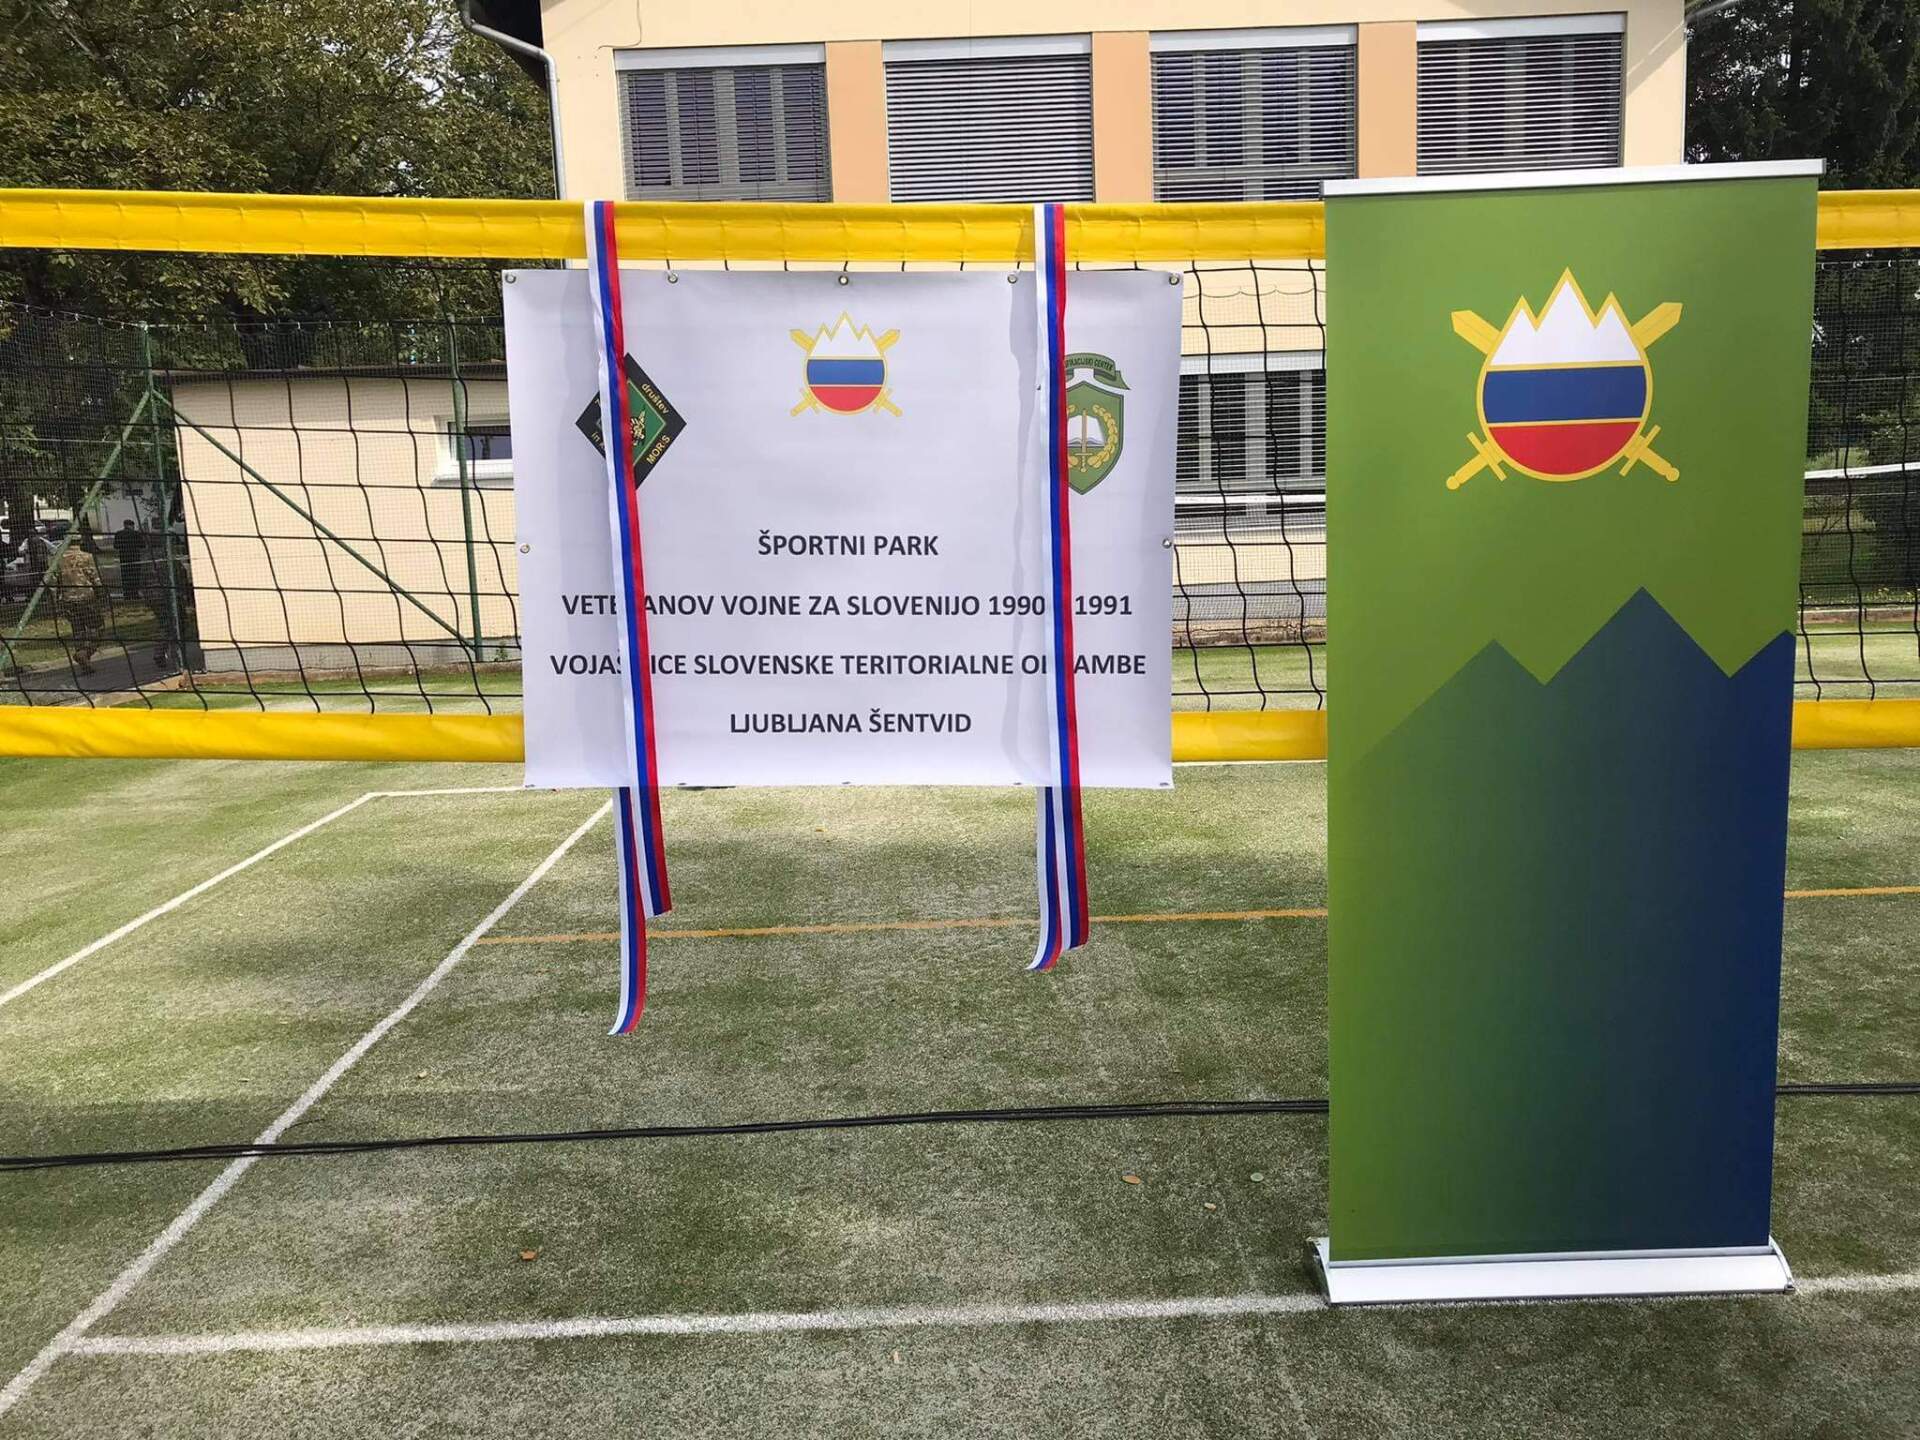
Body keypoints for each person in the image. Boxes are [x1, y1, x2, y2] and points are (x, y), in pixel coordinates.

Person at [51, 538, 109, 676]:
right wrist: (102, 593)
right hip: (87, 598)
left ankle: (83, 660)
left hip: (68, 600)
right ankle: (86, 652)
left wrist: (55, 602)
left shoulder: (58, 559)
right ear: (80, 542)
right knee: (98, 627)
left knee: (78, 631)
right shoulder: (86, 556)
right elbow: (94, 577)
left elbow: (53, 583)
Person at [112, 519, 145, 598]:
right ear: (132, 525)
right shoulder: (136, 534)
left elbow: (116, 546)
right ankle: (135, 593)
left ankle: (127, 593)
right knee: (135, 576)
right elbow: (142, 545)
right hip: (135, 557)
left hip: (124, 557)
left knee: (125, 576)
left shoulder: (118, 534)